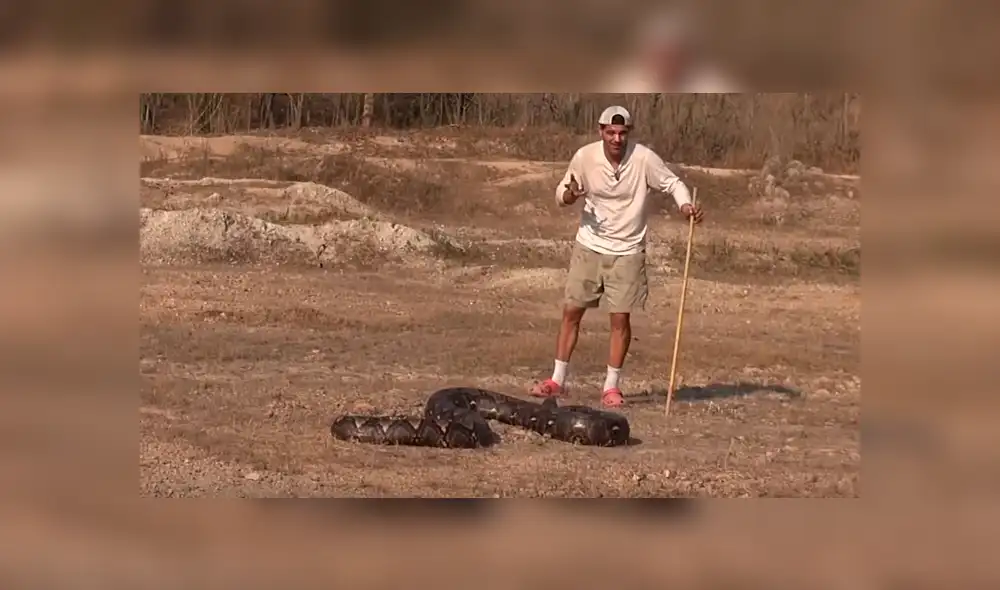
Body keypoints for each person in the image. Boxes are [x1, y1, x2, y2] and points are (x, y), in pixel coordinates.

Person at [530, 105, 704, 408]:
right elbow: (562, 193)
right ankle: (556, 380)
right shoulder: (585, 157)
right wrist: (570, 194)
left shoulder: (644, 159)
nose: (617, 138)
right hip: (589, 245)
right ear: (601, 132)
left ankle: (611, 387)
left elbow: (673, 183)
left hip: (627, 250)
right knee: (572, 311)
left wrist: (685, 205)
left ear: (629, 134)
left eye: (623, 133)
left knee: (620, 319)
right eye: (610, 132)